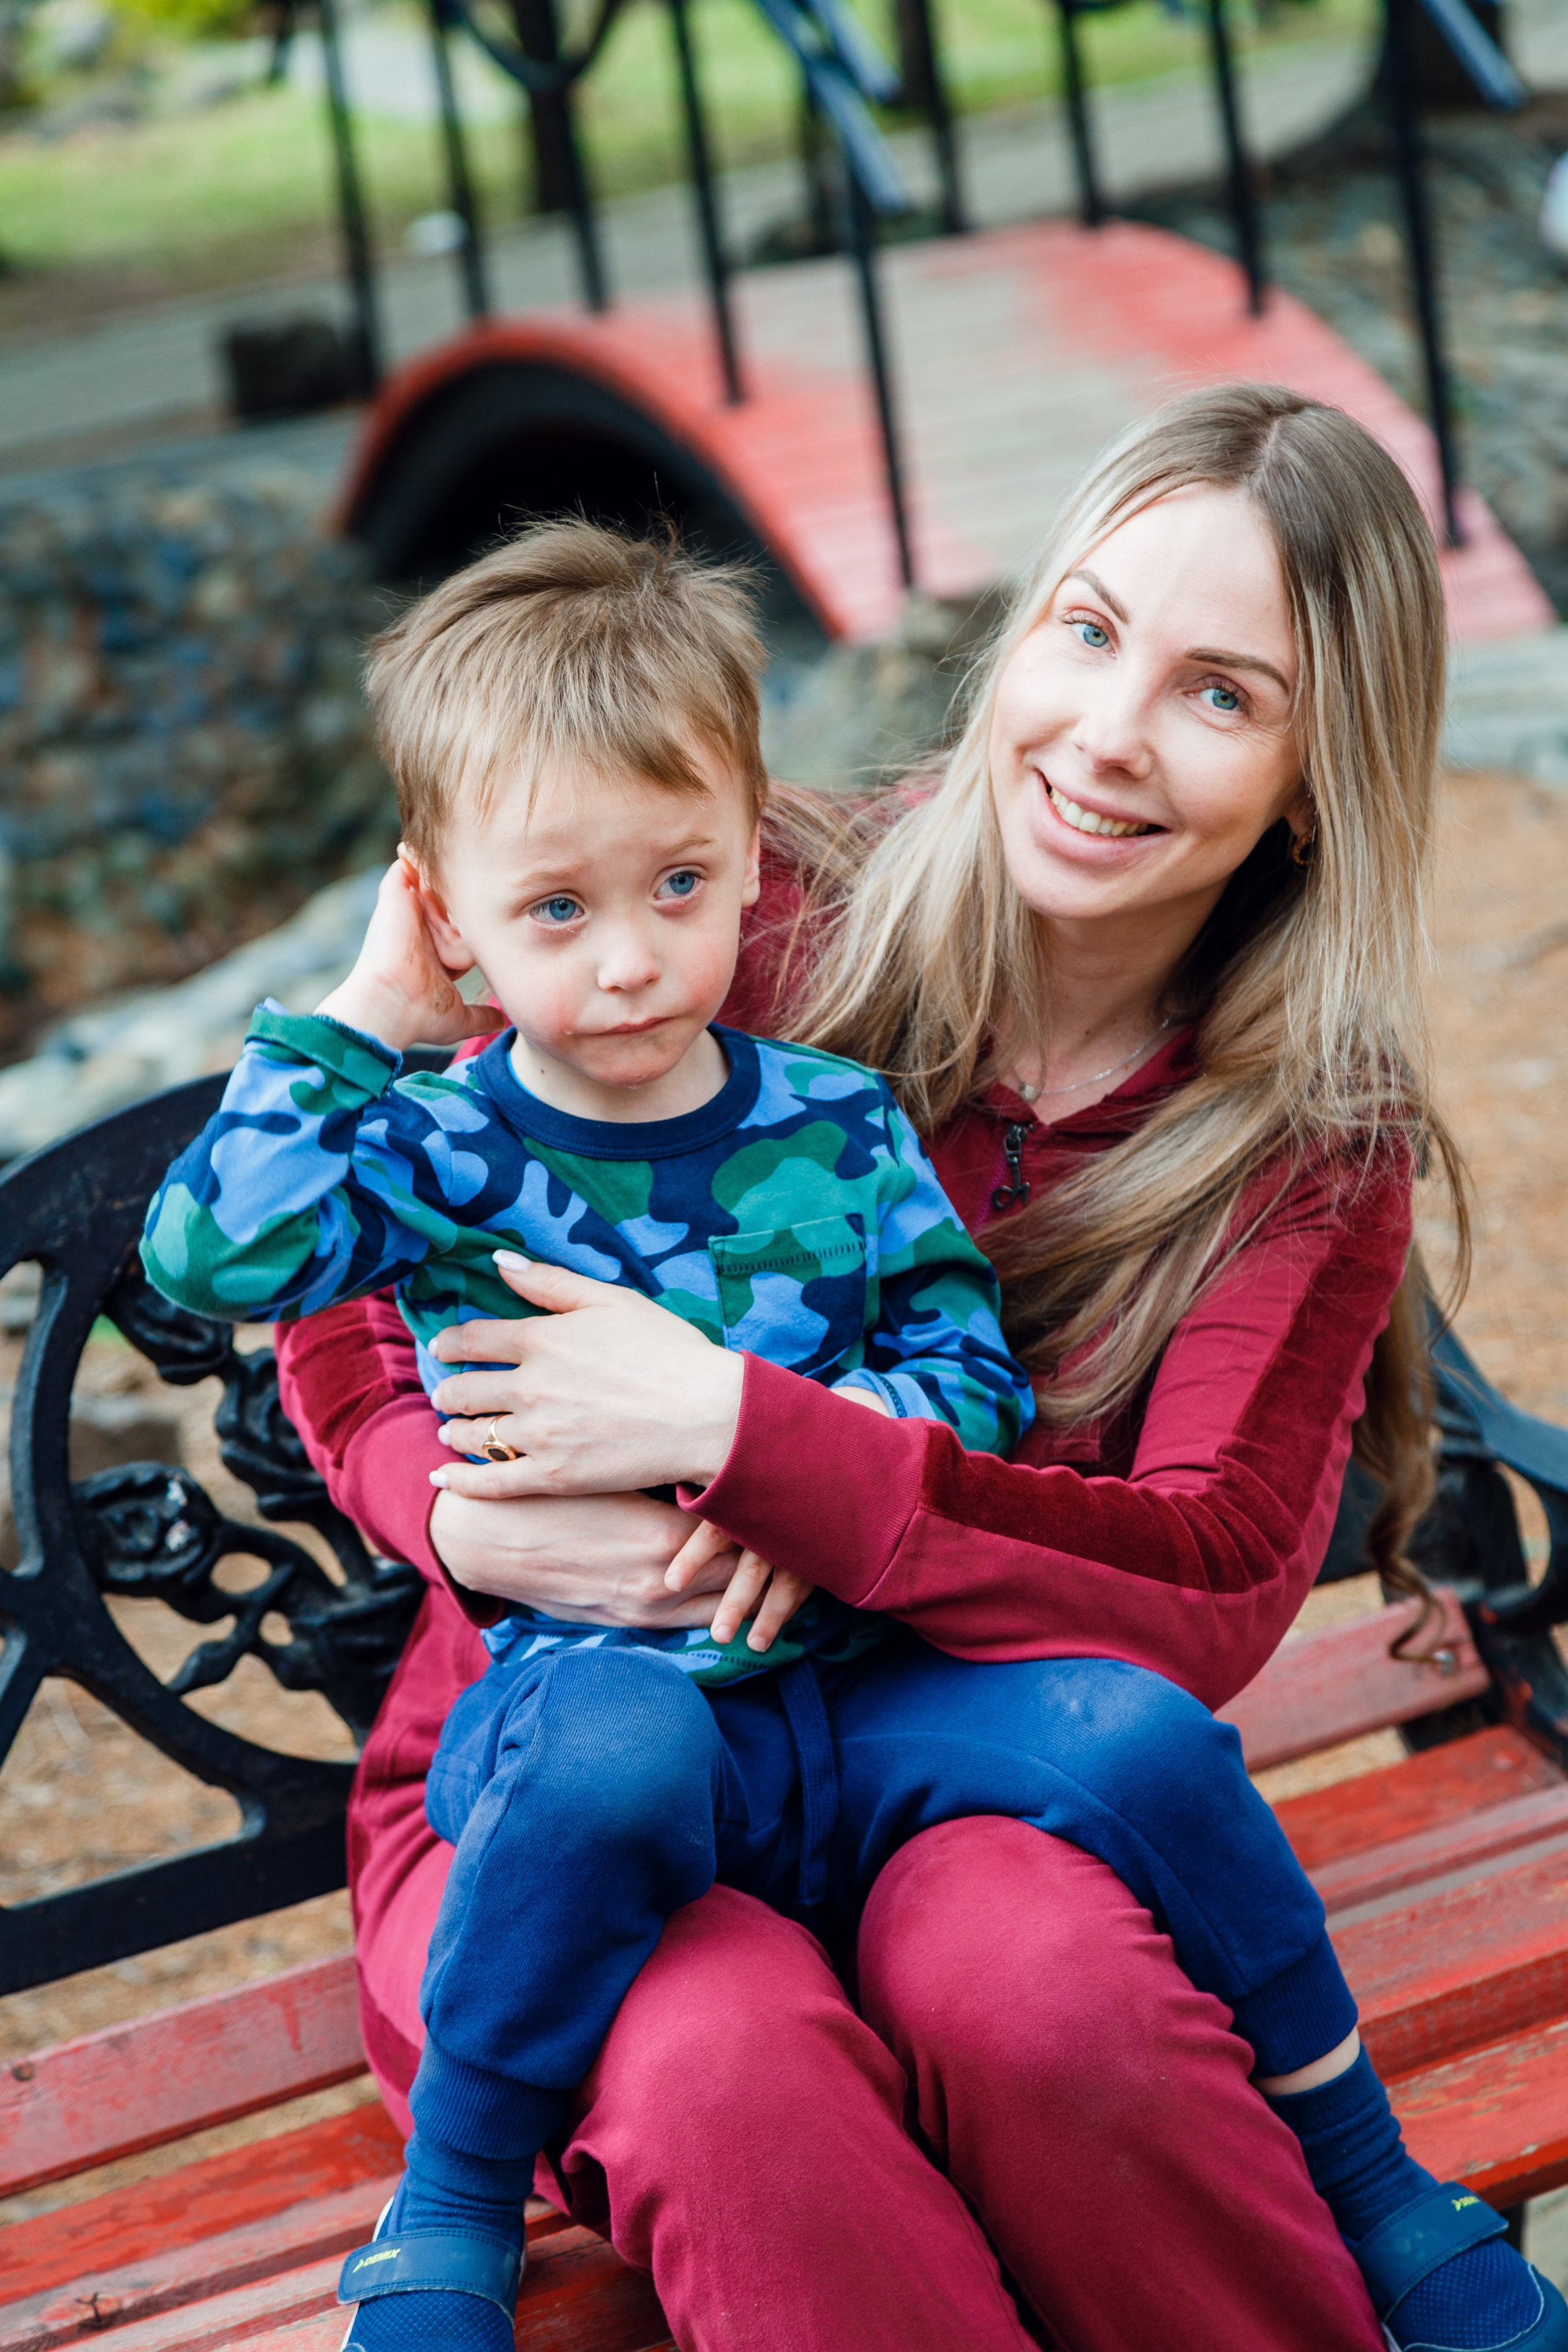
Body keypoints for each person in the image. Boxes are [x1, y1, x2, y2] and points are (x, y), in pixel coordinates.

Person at [268, 386, 1548, 2352]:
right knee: (727, 2069)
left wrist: (751, 1438)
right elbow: (353, 1266)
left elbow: (1199, 1582)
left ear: (1311, 778)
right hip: (573, 1786)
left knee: (1050, 2000)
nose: (1110, 733)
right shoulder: (727, 904)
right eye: (1092, 630)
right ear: (1023, 629)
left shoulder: (1303, 1141)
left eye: (1222, 693)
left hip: (973, 1784)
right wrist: (453, 1506)